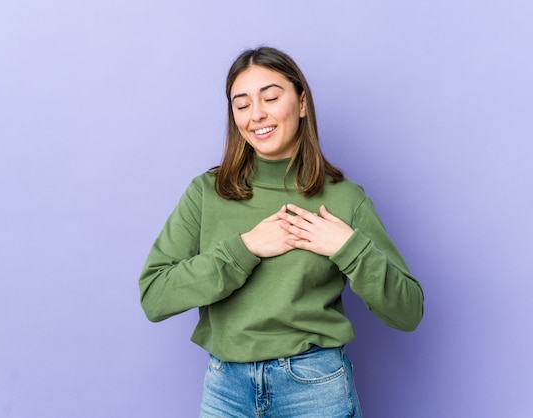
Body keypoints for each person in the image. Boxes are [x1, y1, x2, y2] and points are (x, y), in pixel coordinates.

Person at [139, 46, 424, 418]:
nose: (256, 114)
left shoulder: (344, 199)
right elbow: (155, 297)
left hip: (315, 389)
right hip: (226, 390)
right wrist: (245, 249)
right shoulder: (206, 193)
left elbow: (408, 312)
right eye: (241, 105)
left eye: (271, 97)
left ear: (302, 103)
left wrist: (349, 249)